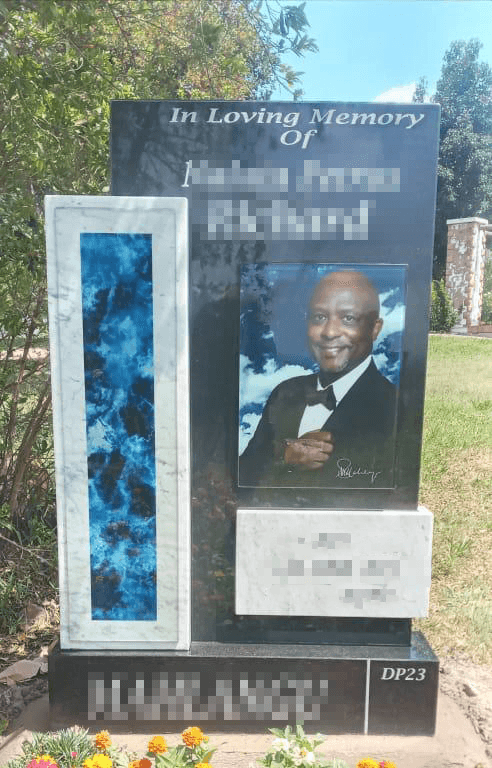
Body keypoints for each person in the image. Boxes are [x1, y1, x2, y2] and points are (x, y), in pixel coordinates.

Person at [238, 270, 398, 488]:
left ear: (374, 329)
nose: (329, 332)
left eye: (348, 318)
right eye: (320, 317)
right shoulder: (284, 393)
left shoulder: (395, 407)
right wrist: (283, 457)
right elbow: (243, 474)